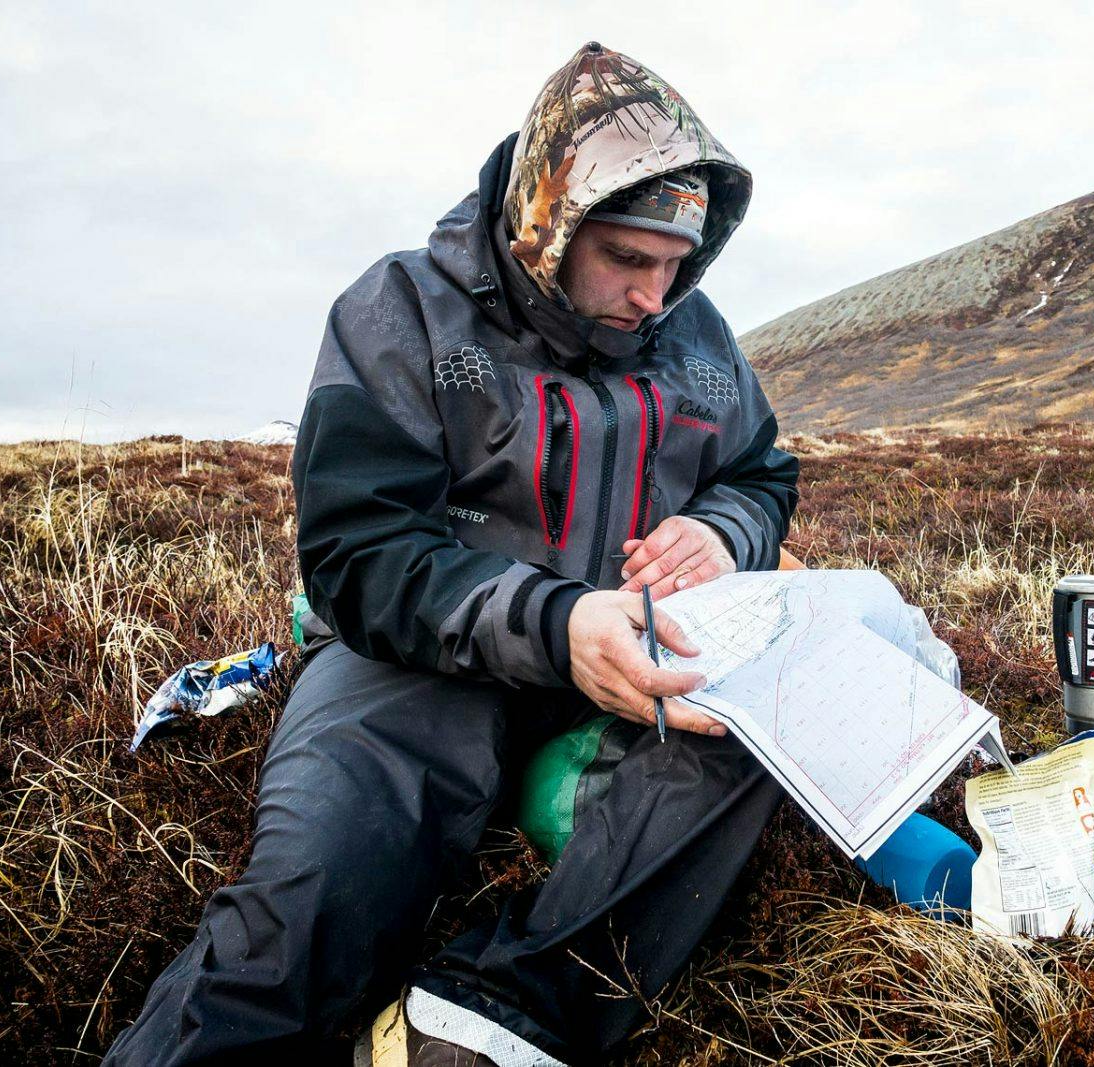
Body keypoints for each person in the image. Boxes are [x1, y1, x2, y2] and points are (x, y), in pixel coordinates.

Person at [104, 41, 798, 1067]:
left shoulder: (698, 338)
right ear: (546, 223)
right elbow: (358, 551)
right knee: (308, 896)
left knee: (755, 743)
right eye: (626, 258)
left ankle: (484, 1020)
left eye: (675, 265)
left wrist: (723, 529)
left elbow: (760, 473)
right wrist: (556, 623)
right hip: (420, 660)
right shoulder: (398, 313)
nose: (657, 294)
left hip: (632, 654)